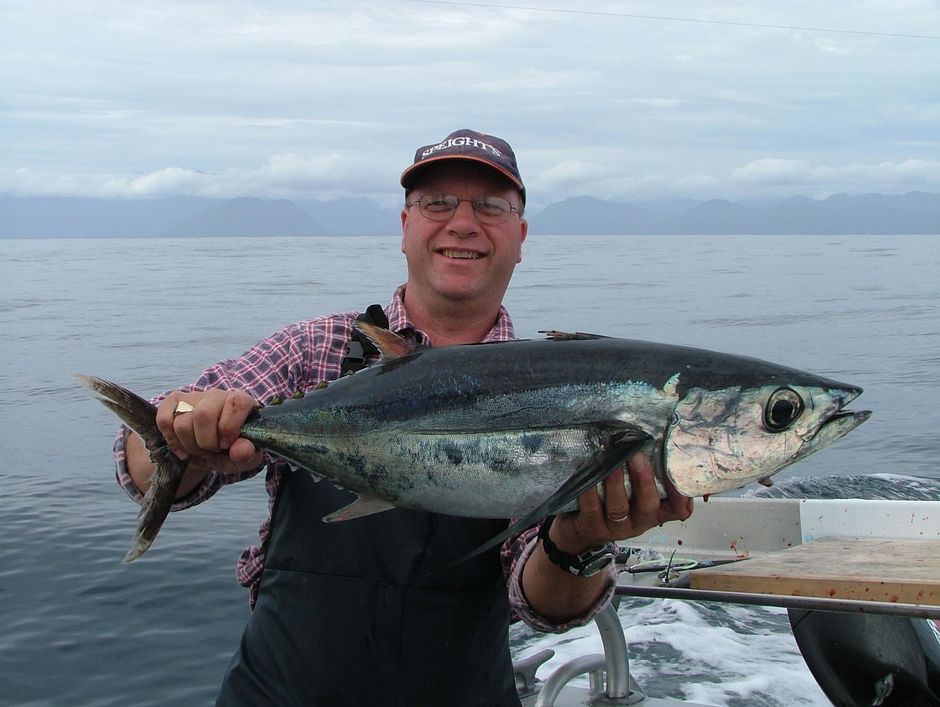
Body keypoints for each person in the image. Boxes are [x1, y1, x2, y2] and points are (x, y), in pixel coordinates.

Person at [114, 128, 694, 706]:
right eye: (438, 203)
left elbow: (544, 608)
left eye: (490, 206)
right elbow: (143, 468)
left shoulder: (559, 388)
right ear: (405, 227)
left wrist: (581, 540)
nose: (463, 223)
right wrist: (184, 427)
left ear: (520, 237)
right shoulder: (317, 349)